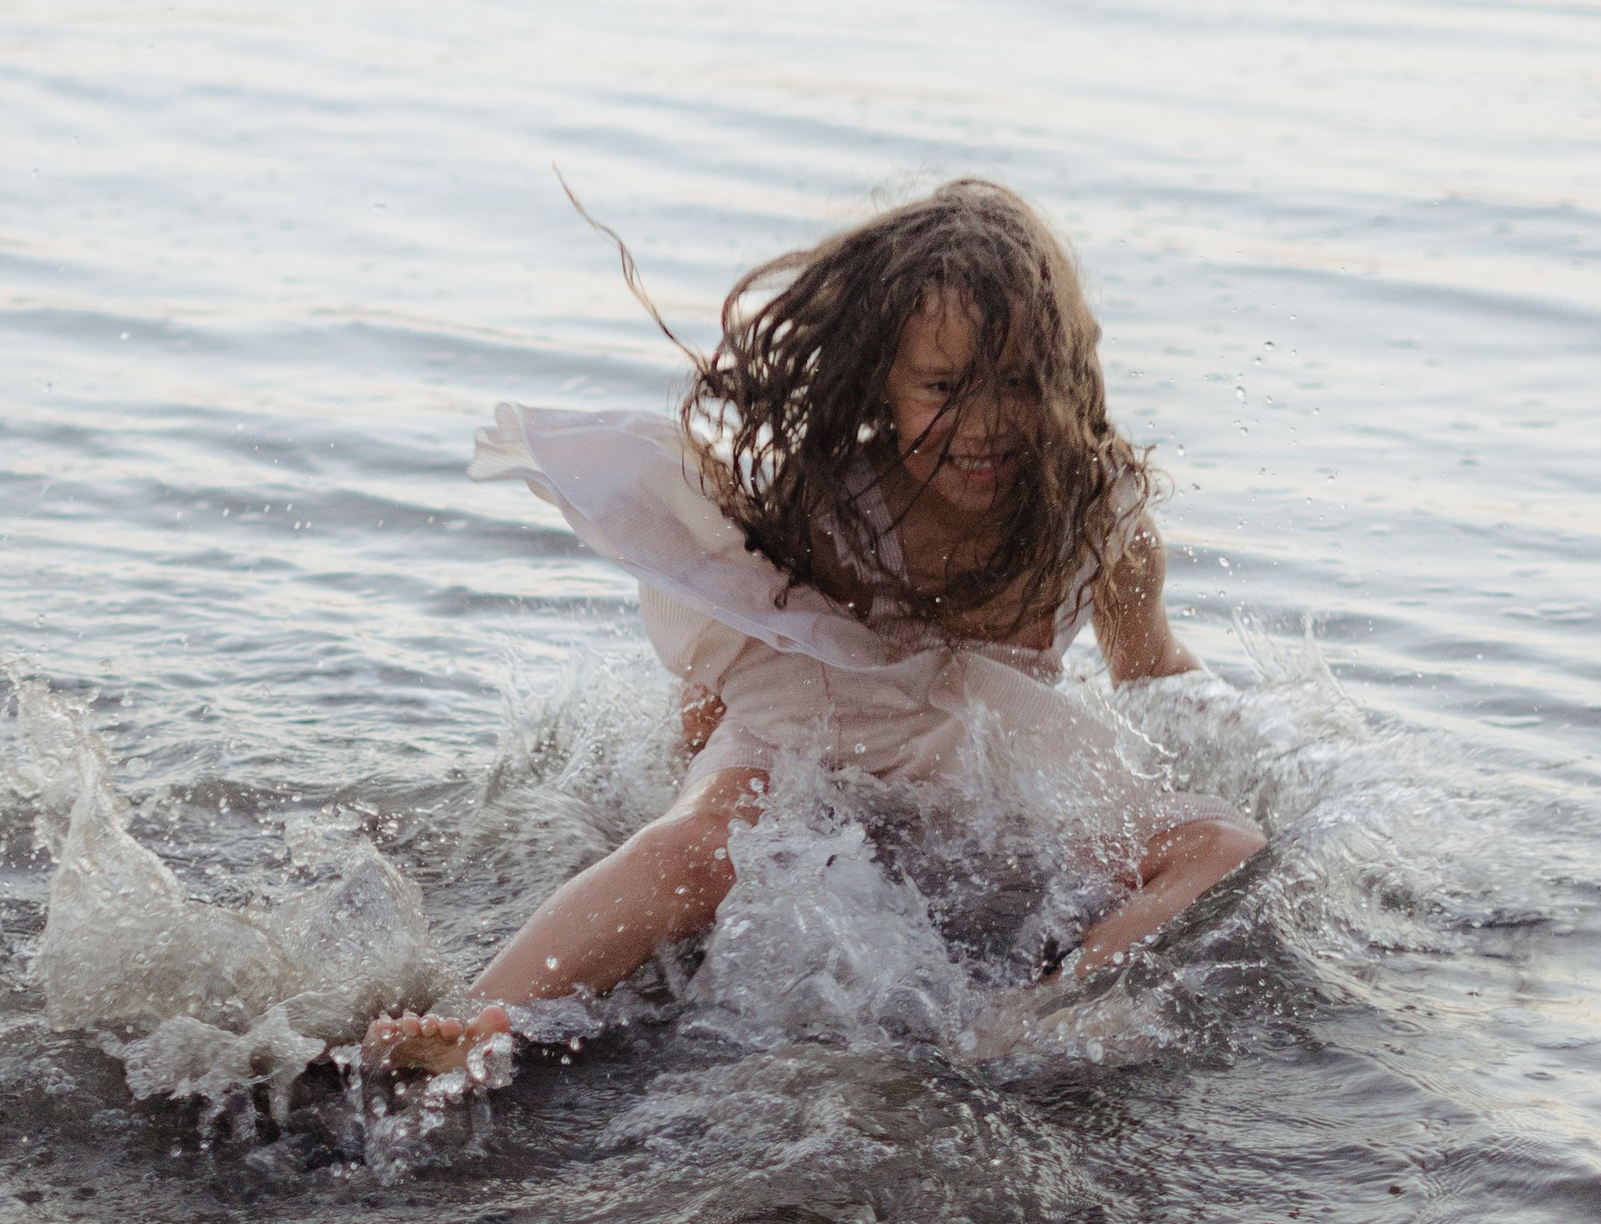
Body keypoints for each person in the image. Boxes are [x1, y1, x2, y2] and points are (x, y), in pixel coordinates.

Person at [364, 179, 1261, 1074]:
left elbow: (1154, 669)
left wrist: (1245, 733)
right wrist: (706, 770)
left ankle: (1035, 1018)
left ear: (1065, 375)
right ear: (882, 381)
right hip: (816, 727)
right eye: (942, 387)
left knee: (1226, 846)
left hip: (987, 762)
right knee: (700, 846)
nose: (983, 426)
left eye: (1019, 384)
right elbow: (739, 646)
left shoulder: (1094, 522)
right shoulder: (829, 500)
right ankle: (481, 1024)